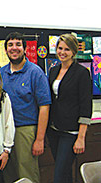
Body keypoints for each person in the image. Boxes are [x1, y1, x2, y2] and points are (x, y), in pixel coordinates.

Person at [0, 32, 51, 183]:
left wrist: (40, 139)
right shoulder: (1, 72)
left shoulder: (35, 73)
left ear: (24, 48)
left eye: (18, 44)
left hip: (26, 131)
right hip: (4, 131)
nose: (14, 48)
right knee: (8, 173)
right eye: (10, 45)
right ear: (6, 49)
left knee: (26, 174)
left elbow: (44, 107)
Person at [47, 34, 92, 183]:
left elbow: (86, 106)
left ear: (73, 52)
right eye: (60, 48)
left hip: (71, 132)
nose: (62, 52)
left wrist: (81, 137)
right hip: (54, 130)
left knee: (59, 176)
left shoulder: (81, 73)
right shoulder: (53, 71)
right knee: (64, 174)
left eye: (67, 49)